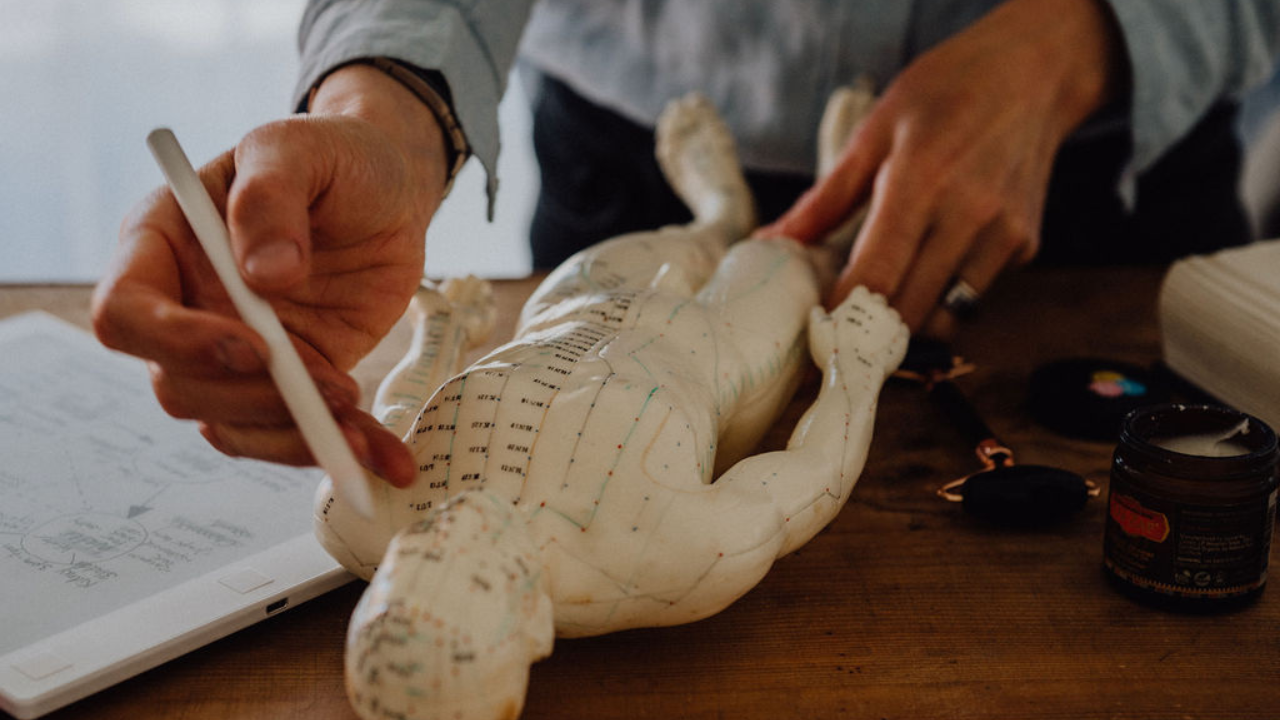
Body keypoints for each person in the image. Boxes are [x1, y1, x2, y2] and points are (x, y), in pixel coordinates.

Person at [91, 0, 1280, 486]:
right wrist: (386, 104)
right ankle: (711, 208)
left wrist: (1083, 34)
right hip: (628, 153)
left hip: (1096, 171)